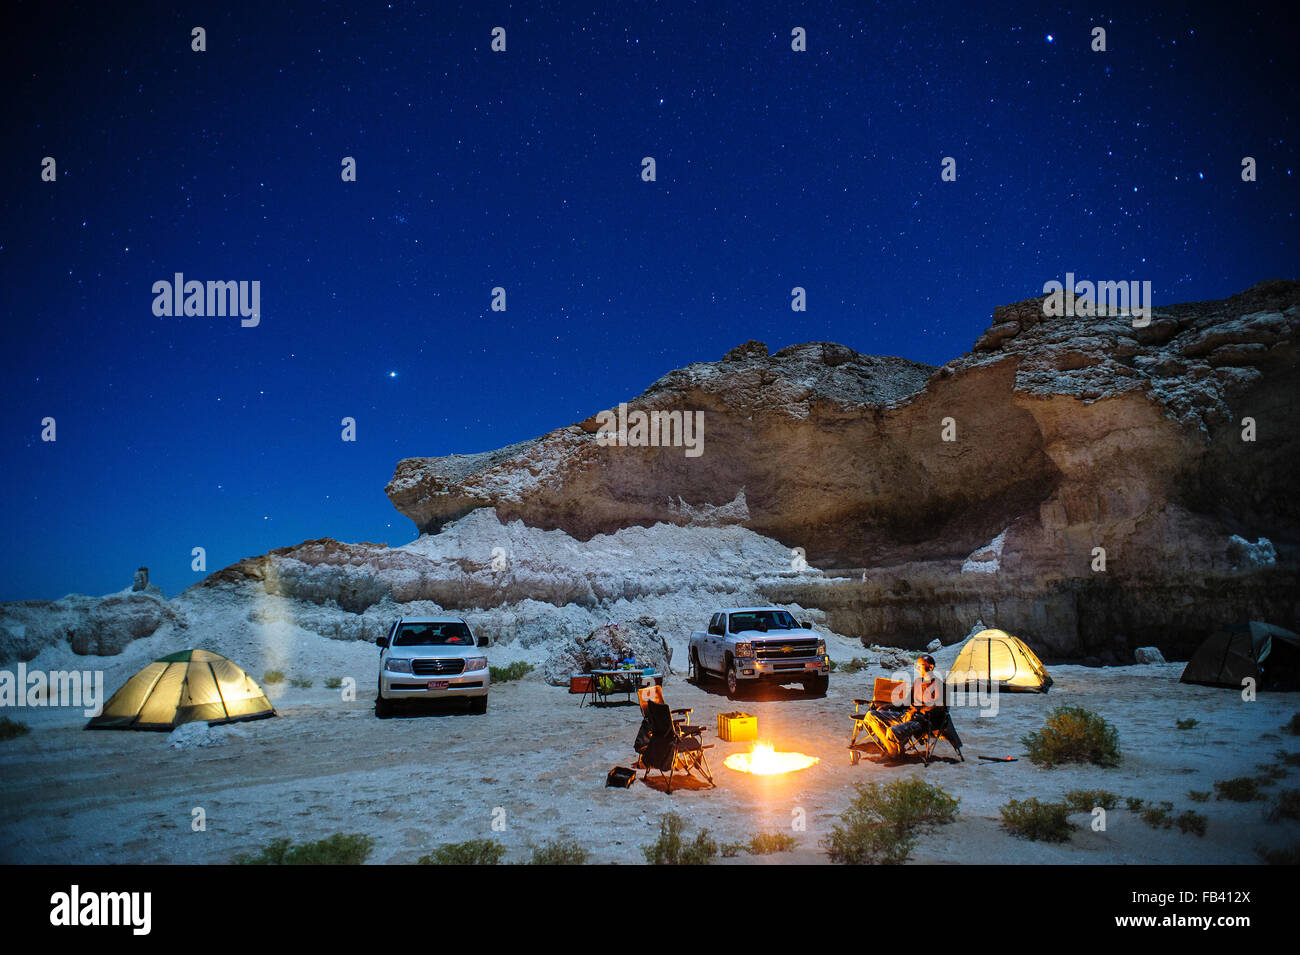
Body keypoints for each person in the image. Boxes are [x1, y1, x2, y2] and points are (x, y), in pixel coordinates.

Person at [864, 653, 951, 757]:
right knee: (871, 715)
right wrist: (889, 706)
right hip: (906, 716)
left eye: (920, 666)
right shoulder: (918, 683)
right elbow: (906, 701)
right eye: (917, 666)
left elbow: (939, 708)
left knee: (892, 731)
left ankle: (894, 752)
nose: (917, 668)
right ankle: (894, 750)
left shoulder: (940, 685)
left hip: (922, 721)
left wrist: (916, 711)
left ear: (931, 667)